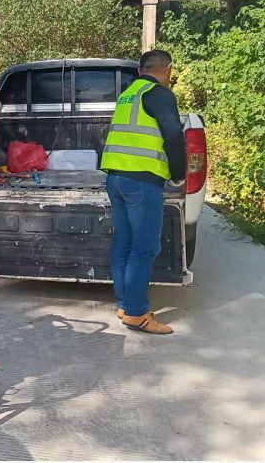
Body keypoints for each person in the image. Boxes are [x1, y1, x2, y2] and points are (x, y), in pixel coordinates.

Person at [101, 49, 187, 335]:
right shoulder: (160, 93)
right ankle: (137, 315)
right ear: (168, 70)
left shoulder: (128, 95)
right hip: (142, 181)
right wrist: (178, 173)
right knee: (144, 248)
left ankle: (127, 305)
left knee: (124, 245)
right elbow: (174, 134)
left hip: (116, 178)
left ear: (140, 71)